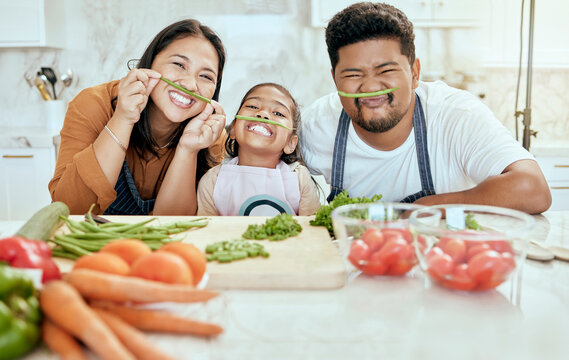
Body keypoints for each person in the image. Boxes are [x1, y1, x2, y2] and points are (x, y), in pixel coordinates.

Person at [299, 2, 551, 214]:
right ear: (335, 79)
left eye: (386, 70)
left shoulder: (456, 115)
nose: (371, 87)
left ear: (415, 72)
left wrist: (431, 207)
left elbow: (533, 188)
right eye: (353, 74)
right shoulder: (314, 125)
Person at [49, 19, 227, 215]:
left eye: (206, 76)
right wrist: (123, 118)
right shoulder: (93, 104)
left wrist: (188, 150)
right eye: (179, 64)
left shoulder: (209, 136)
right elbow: (70, 209)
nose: (191, 85)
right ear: (150, 63)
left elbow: (175, 225)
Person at [197, 83, 321, 216]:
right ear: (233, 129)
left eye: (278, 113)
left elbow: (312, 231)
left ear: (291, 143)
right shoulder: (212, 180)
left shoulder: (299, 179)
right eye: (252, 106)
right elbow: (208, 232)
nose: (262, 114)